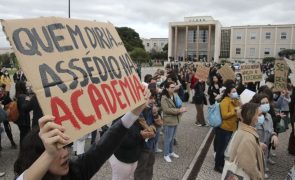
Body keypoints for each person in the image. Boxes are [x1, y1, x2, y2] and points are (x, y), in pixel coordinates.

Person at [14, 86, 151, 180]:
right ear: (37, 156)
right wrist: (49, 153)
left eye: (64, 145)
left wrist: (135, 111)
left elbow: (105, 144)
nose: (65, 153)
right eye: (55, 149)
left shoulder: (75, 172)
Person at [227, 103, 265, 179]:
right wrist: (259, 177)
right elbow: (249, 166)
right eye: (259, 115)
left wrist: (257, 146)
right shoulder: (248, 138)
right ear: (251, 116)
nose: (262, 117)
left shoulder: (243, 130)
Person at [250, 93, 279, 178]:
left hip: (265, 150)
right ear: (257, 105)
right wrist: (257, 144)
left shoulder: (269, 116)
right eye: (263, 103)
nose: (266, 105)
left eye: (267, 102)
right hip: (253, 151)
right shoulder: (251, 118)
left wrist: (274, 135)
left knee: (262, 163)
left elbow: (271, 129)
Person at [214, 81, 240, 173]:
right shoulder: (225, 101)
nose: (235, 93)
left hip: (230, 128)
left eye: (235, 91)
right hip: (223, 129)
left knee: (224, 148)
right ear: (228, 93)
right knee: (221, 148)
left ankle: (221, 163)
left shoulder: (233, 100)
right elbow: (224, 115)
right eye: (233, 91)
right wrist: (235, 111)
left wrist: (238, 102)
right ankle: (217, 166)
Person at [161, 82, 186, 162]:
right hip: (169, 121)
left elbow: (179, 104)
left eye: (174, 87)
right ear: (167, 88)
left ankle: (171, 152)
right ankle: (166, 154)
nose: (173, 88)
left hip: (176, 119)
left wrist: (182, 108)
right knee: (168, 138)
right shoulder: (164, 98)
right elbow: (166, 110)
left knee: (172, 138)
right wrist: (179, 110)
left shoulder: (175, 95)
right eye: (171, 87)